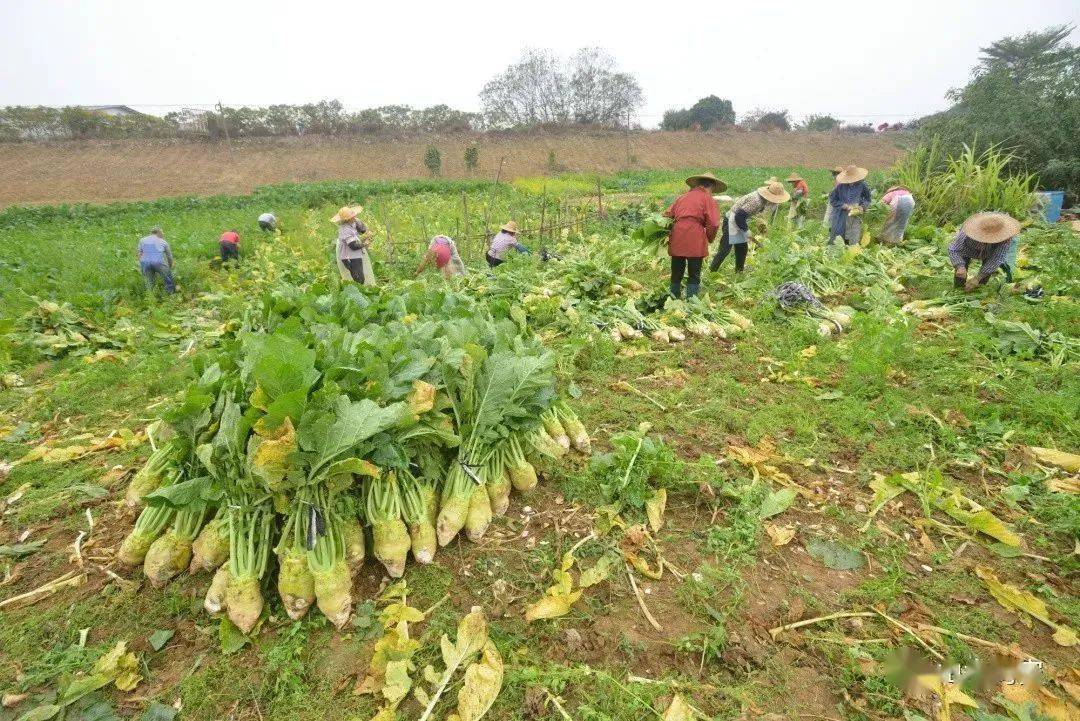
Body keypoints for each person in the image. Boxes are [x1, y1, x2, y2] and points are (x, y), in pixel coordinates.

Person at [664, 172, 724, 298]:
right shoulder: (707, 198)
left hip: (677, 234)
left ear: (698, 184)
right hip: (695, 235)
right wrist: (710, 238)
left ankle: (673, 297)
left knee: (676, 270)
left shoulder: (682, 197)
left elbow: (667, 215)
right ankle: (691, 302)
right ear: (710, 187)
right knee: (694, 272)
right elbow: (713, 223)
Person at [709, 180, 790, 274]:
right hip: (731, 220)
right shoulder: (757, 201)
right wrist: (746, 230)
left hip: (738, 221)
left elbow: (746, 215)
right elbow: (738, 216)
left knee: (742, 249)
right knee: (725, 249)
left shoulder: (763, 200)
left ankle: (739, 272)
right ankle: (712, 271)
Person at [948, 212, 1021, 292]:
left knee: (983, 277)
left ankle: (979, 290)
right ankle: (958, 290)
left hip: (990, 252)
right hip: (967, 249)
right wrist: (959, 266)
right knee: (960, 274)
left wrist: (978, 278)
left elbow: (996, 259)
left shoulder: (1005, 238)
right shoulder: (967, 232)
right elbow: (954, 249)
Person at [827, 165, 871, 245]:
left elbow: (867, 200)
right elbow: (833, 199)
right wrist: (843, 205)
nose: (851, 181)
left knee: (853, 237)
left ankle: (851, 251)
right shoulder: (840, 186)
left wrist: (862, 207)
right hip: (841, 215)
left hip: (855, 215)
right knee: (838, 236)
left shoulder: (862, 186)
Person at [332, 205, 375, 285]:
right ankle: (358, 293)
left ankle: (362, 291)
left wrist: (359, 223)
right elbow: (353, 246)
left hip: (355, 254)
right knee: (358, 278)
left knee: (361, 275)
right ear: (346, 219)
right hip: (349, 256)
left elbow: (362, 231)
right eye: (352, 216)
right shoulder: (345, 229)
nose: (354, 217)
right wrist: (364, 244)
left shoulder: (353, 223)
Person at [137, 226, 175, 294]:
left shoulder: (142, 240)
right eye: (162, 234)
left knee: (150, 282)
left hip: (145, 262)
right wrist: (169, 267)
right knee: (168, 278)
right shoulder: (163, 241)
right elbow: (169, 257)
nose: (163, 235)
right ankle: (170, 294)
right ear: (158, 233)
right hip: (158, 262)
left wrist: (143, 266)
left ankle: (150, 296)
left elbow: (139, 254)